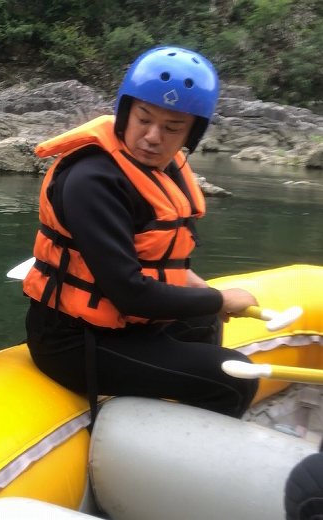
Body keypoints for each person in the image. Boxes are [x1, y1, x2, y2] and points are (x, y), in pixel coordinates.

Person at [22, 45, 260, 421]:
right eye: (143, 119)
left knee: (202, 320)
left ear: (192, 133)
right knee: (233, 377)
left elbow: (156, 256)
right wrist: (218, 298)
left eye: (172, 128)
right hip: (73, 340)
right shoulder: (93, 180)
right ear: (125, 112)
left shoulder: (163, 169)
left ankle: (164, 421)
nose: (152, 137)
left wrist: (200, 291)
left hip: (125, 327)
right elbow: (129, 292)